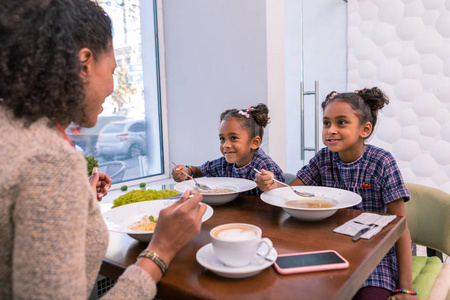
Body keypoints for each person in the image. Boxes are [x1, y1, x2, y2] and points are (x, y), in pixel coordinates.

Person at [0, 1, 206, 299]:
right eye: (112, 70)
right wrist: (161, 249)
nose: (112, 87)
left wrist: (75, 196)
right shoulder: (50, 161)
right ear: (84, 65)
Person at [256, 88, 417, 300]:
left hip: (376, 253)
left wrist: (406, 288)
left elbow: (400, 226)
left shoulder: (382, 162)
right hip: (333, 246)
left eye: (341, 123)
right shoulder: (324, 158)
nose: (330, 130)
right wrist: (270, 185)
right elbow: (291, 192)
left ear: (365, 129)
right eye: (326, 123)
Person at [172, 103, 284, 195]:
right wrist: (186, 171)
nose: (226, 145)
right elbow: (198, 171)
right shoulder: (224, 164)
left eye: (233, 138)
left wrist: (270, 184)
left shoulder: (264, 166)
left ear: (254, 142)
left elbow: (281, 193)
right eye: (222, 138)